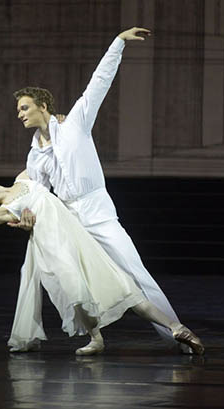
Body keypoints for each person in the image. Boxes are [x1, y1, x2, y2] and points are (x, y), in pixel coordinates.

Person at [10, 27, 191, 352]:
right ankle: (90, 337)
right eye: (19, 110)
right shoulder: (35, 154)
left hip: (97, 213)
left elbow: (99, 83)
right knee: (61, 275)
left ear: (42, 105)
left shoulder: (75, 123)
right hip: (70, 220)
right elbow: (35, 190)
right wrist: (24, 213)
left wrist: (118, 43)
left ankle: (177, 335)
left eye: (24, 107)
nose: (19, 114)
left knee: (135, 274)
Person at [0, 177, 204, 356]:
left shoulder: (24, 177)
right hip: (55, 250)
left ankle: (177, 327)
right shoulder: (2, 212)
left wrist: (57, 123)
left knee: (121, 285)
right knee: (79, 292)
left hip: (78, 238)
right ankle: (96, 338)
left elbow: (46, 153)